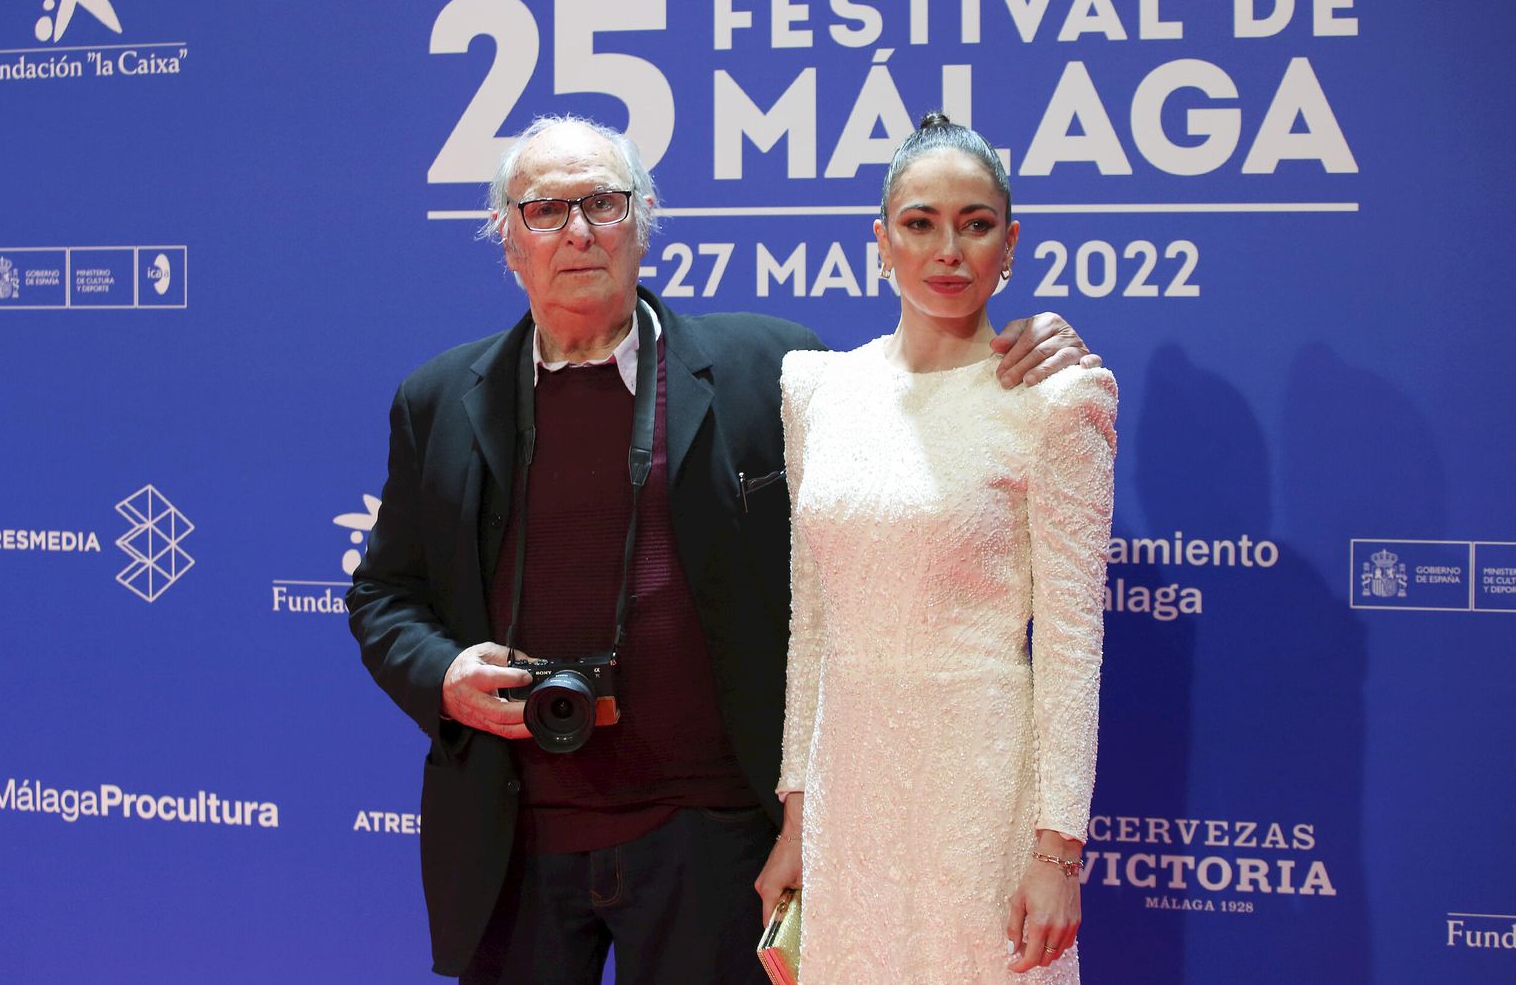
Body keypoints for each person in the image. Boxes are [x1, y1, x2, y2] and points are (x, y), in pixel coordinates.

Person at [346, 113, 1101, 984]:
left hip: (709, 840)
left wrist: (1042, 345)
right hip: (512, 838)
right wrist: (443, 673)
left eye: (603, 202)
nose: (579, 231)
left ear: (645, 221)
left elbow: (917, 404)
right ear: (507, 239)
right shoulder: (437, 400)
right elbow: (383, 594)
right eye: (546, 210)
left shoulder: (771, 368)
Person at [759, 113, 1117, 983]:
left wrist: (1058, 851)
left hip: (982, 791)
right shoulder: (818, 391)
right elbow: (814, 623)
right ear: (881, 241)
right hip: (849, 797)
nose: (948, 250)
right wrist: (797, 816)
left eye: (976, 223)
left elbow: (1071, 641)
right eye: (920, 223)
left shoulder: (1056, 398)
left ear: (1011, 242)